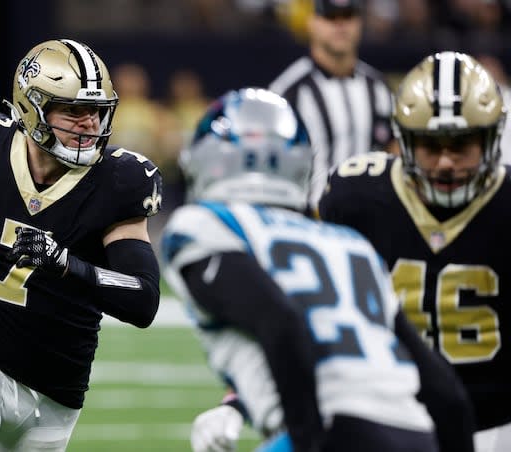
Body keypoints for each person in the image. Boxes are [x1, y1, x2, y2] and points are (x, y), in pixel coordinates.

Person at [160, 87, 475, 452]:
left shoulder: (205, 225)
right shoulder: (348, 243)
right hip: (414, 434)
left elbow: (280, 321)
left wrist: (309, 442)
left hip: (335, 431)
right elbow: (446, 394)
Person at [0, 38, 163, 452]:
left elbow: (143, 298)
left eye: (95, 110)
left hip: (57, 393)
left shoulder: (118, 182)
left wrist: (66, 263)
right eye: (72, 109)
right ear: (31, 106)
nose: (88, 122)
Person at [318, 50, 511, 452]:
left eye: (461, 146)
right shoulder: (356, 199)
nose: (444, 162)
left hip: (498, 423)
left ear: (491, 140)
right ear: (404, 142)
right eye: (430, 145)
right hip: (391, 419)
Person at [268, 0, 395, 210]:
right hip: (310, 222)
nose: (340, 26)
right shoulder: (288, 92)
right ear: (311, 22)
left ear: (360, 22)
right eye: (330, 17)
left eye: (347, 16)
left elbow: (396, 155)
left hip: (372, 224)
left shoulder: (379, 88)